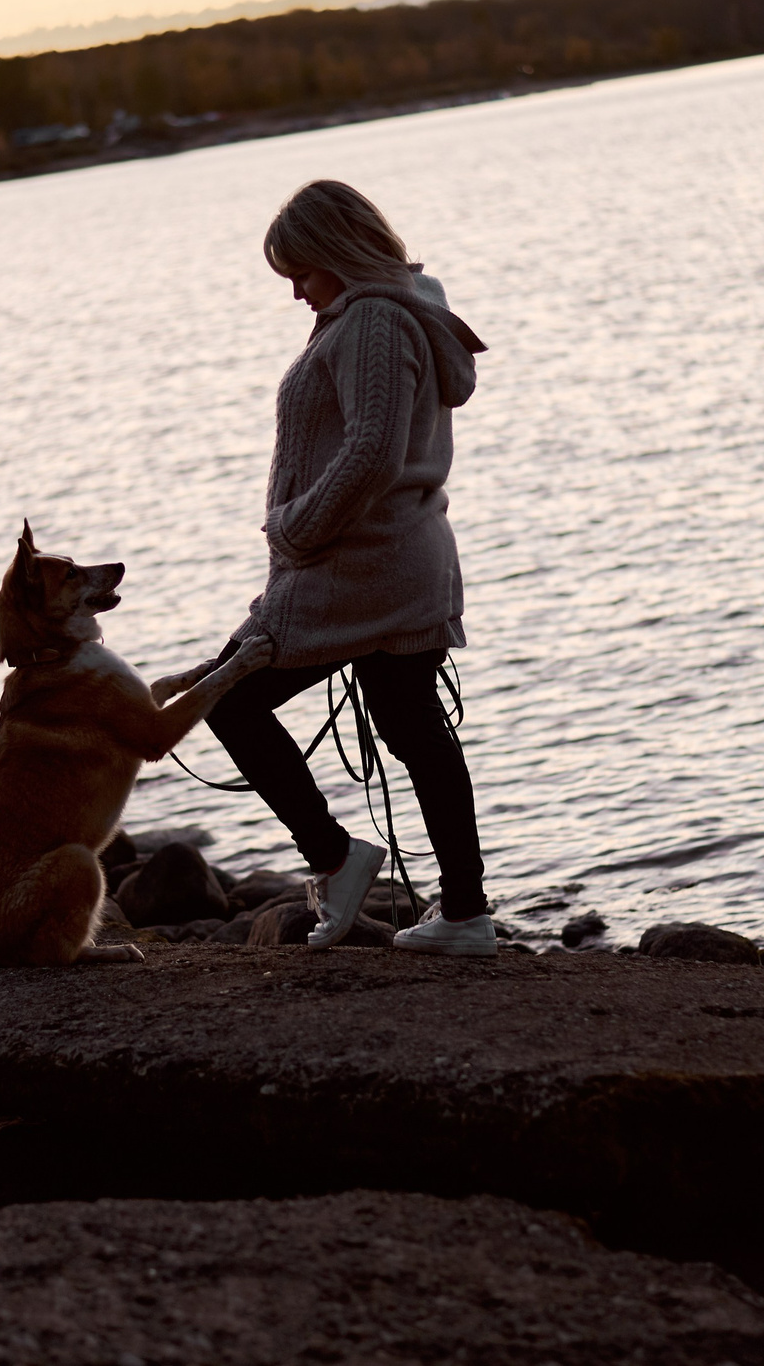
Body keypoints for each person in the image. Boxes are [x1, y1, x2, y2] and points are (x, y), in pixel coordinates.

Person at [170, 179, 496, 954]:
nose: (294, 292)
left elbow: (373, 449)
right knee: (413, 725)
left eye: (301, 272)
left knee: (229, 701)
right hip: (401, 554)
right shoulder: (397, 310)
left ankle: (336, 857)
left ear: (339, 255)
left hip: (358, 562)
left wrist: (297, 530)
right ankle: (466, 912)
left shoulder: (374, 321)